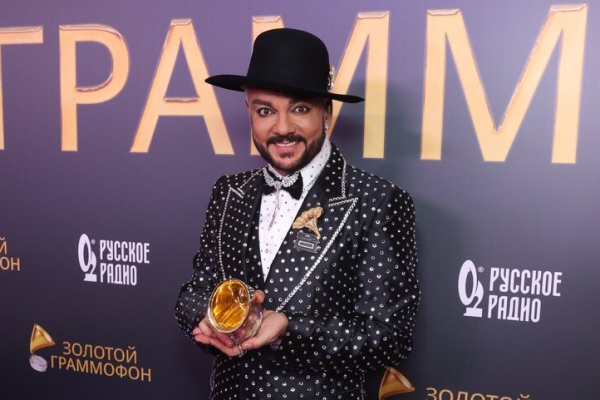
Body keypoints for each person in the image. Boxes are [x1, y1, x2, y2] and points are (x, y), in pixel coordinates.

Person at [175, 28, 419, 400]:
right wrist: (209, 320)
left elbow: (390, 338)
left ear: (327, 112)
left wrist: (289, 331)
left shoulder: (377, 201)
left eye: (300, 109)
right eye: (265, 111)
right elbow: (194, 292)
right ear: (249, 112)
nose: (283, 128)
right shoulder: (228, 192)